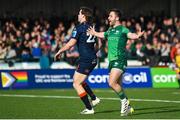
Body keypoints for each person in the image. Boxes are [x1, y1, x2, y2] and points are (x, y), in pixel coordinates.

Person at [87, 8, 144, 116]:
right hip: (111, 61)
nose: (108, 18)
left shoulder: (123, 29)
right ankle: (128, 107)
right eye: (108, 16)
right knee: (118, 85)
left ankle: (125, 102)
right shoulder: (110, 30)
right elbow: (103, 34)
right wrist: (94, 33)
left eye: (111, 16)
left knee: (111, 83)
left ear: (117, 18)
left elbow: (130, 35)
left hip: (120, 59)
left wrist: (137, 36)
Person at [54, 7, 100, 114]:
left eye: (79, 14)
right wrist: (92, 53)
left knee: (76, 84)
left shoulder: (79, 28)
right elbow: (98, 44)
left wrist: (59, 51)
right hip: (92, 58)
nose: (78, 16)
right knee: (78, 79)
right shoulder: (92, 27)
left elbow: (70, 44)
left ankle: (89, 108)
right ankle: (94, 98)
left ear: (83, 15)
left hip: (86, 59)